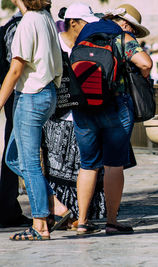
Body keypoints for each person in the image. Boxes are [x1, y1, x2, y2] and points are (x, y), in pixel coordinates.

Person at [72, 4, 152, 235]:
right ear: (126, 23)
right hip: (114, 105)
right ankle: (112, 221)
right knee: (113, 164)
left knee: (87, 165)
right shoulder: (123, 37)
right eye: (134, 30)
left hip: (84, 106)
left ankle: (83, 221)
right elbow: (145, 63)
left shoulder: (85, 33)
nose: (134, 34)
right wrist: (142, 75)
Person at [1, 0, 70, 241]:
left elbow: (15, 69)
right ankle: (55, 206)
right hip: (47, 92)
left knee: (29, 163)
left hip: (31, 95)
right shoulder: (44, 18)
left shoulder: (29, 22)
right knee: (13, 157)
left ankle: (40, 223)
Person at [41, 3, 106, 229]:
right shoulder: (53, 43)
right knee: (57, 168)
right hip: (57, 116)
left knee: (84, 167)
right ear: (73, 23)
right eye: (86, 24)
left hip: (85, 115)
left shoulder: (89, 45)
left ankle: (82, 216)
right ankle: (60, 211)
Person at [0, 10, 32, 228]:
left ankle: (8, 208)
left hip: (15, 95)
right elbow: (15, 68)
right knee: (16, 154)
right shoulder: (19, 28)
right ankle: (7, 209)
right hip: (20, 96)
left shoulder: (17, 25)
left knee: (15, 152)